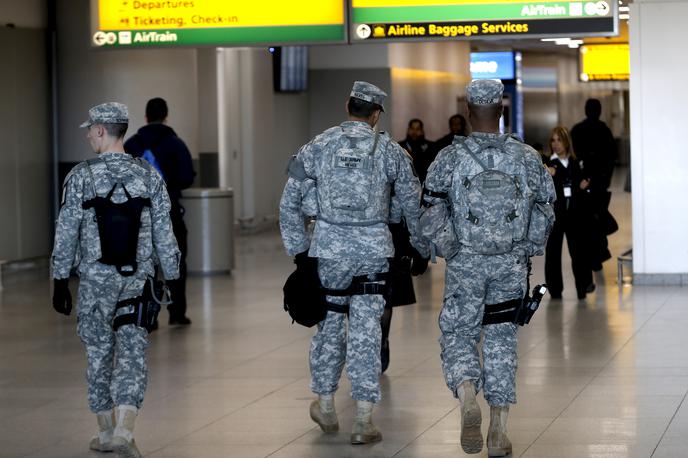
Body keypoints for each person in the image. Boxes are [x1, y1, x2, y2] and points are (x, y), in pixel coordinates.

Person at [279, 81, 429, 445]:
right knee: (366, 330)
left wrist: (299, 252)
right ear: (376, 113)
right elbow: (412, 203)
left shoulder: (316, 146)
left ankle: (327, 404)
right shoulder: (392, 152)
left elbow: (289, 202)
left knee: (329, 325)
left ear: (348, 105)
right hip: (373, 252)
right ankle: (363, 418)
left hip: (328, 249)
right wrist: (423, 247)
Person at [422, 80, 555, 456]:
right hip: (510, 264)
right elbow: (546, 208)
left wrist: (452, 248)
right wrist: (528, 246)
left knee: (460, 334)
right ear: (501, 111)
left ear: (467, 112)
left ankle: (467, 394)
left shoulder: (449, 158)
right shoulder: (527, 157)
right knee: (501, 339)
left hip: (466, 263)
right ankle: (498, 431)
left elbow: (429, 210)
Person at [51, 102, 180, 457]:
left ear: (101, 131)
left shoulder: (80, 176)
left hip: (95, 282)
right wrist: (171, 274)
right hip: (137, 280)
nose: (88, 135)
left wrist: (60, 278)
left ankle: (106, 432)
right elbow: (164, 233)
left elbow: (66, 232)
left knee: (98, 352)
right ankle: (126, 429)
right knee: (133, 351)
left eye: (90, 129)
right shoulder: (148, 175)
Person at [125, 97, 195, 325]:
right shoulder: (176, 144)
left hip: (138, 214)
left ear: (145, 117)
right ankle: (176, 313)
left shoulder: (132, 144)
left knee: (145, 263)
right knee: (175, 260)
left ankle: (148, 315)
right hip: (169, 212)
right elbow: (186, 177)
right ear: (166, 116)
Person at [544, 126, 594, 300]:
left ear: (566, 141)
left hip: (575, 214)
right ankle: (555, 290)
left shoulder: (576, 162)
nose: (556, 144)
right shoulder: (548, 163)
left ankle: (582, 288)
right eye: (553, 140)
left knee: (578, 252)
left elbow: (583, 183)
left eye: (559, 140)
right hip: (556, 215)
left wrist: (582, 186)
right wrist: (552, 174)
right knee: (552, 253)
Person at [381, 195, 428, 373]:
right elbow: (410, 199)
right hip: (389, 231)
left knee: (374, 292)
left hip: (348, 233)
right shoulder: (397, 165)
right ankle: (380, 341)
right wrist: (420, 247)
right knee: (383, 294)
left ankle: (377, 340)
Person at [570, 98, 617, 270]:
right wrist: (605, 180)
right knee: (597, 219)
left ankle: (593, 255)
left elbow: (572, 158)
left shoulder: (577, 130)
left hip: (582, 184)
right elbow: (612, 157)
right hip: (599, 183)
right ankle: (598, 255)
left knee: (586, 221)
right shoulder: (604, 131)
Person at [399, 118, 435, 183]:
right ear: (408, 130)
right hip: (404, 184)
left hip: (424, 184)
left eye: (417, 129)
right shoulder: (399, 146)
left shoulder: (431, 147)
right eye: (412, 128)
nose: (414, 132)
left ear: (422, 131)